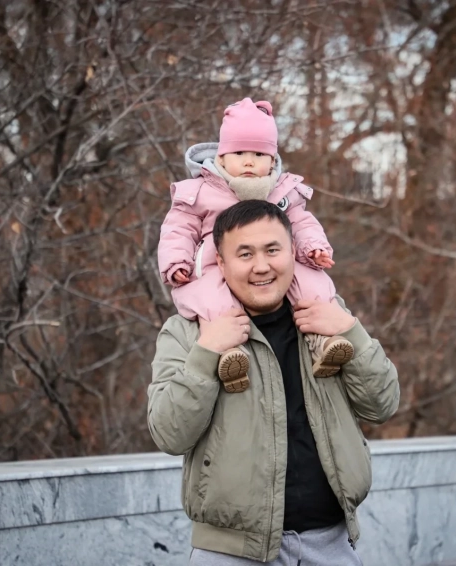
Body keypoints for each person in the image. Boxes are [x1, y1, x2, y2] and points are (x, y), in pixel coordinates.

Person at [148, 200, 400, 565]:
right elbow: (169, 434)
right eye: (245, 254)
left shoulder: (326, 318)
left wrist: (352, 332)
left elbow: (382, 406)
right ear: (221, 263)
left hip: (330, 544)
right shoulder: (188, 332)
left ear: (293, 252)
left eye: (272, 250)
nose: (262, 266)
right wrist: (206, 354)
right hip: (230, 553)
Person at [157, 98, 353, 394]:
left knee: (312, 282)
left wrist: (314, 247)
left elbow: (302, 222)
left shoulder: (283, 191)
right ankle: (228, 354)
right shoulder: (201, 191)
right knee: (212, 301)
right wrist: (176, 261)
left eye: (259, 154)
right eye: (239, 153)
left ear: (273, 161)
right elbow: (177, 229)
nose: (249, 162)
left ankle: (322, 340)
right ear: (221, 158)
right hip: (215, 262)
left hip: (275, 258)